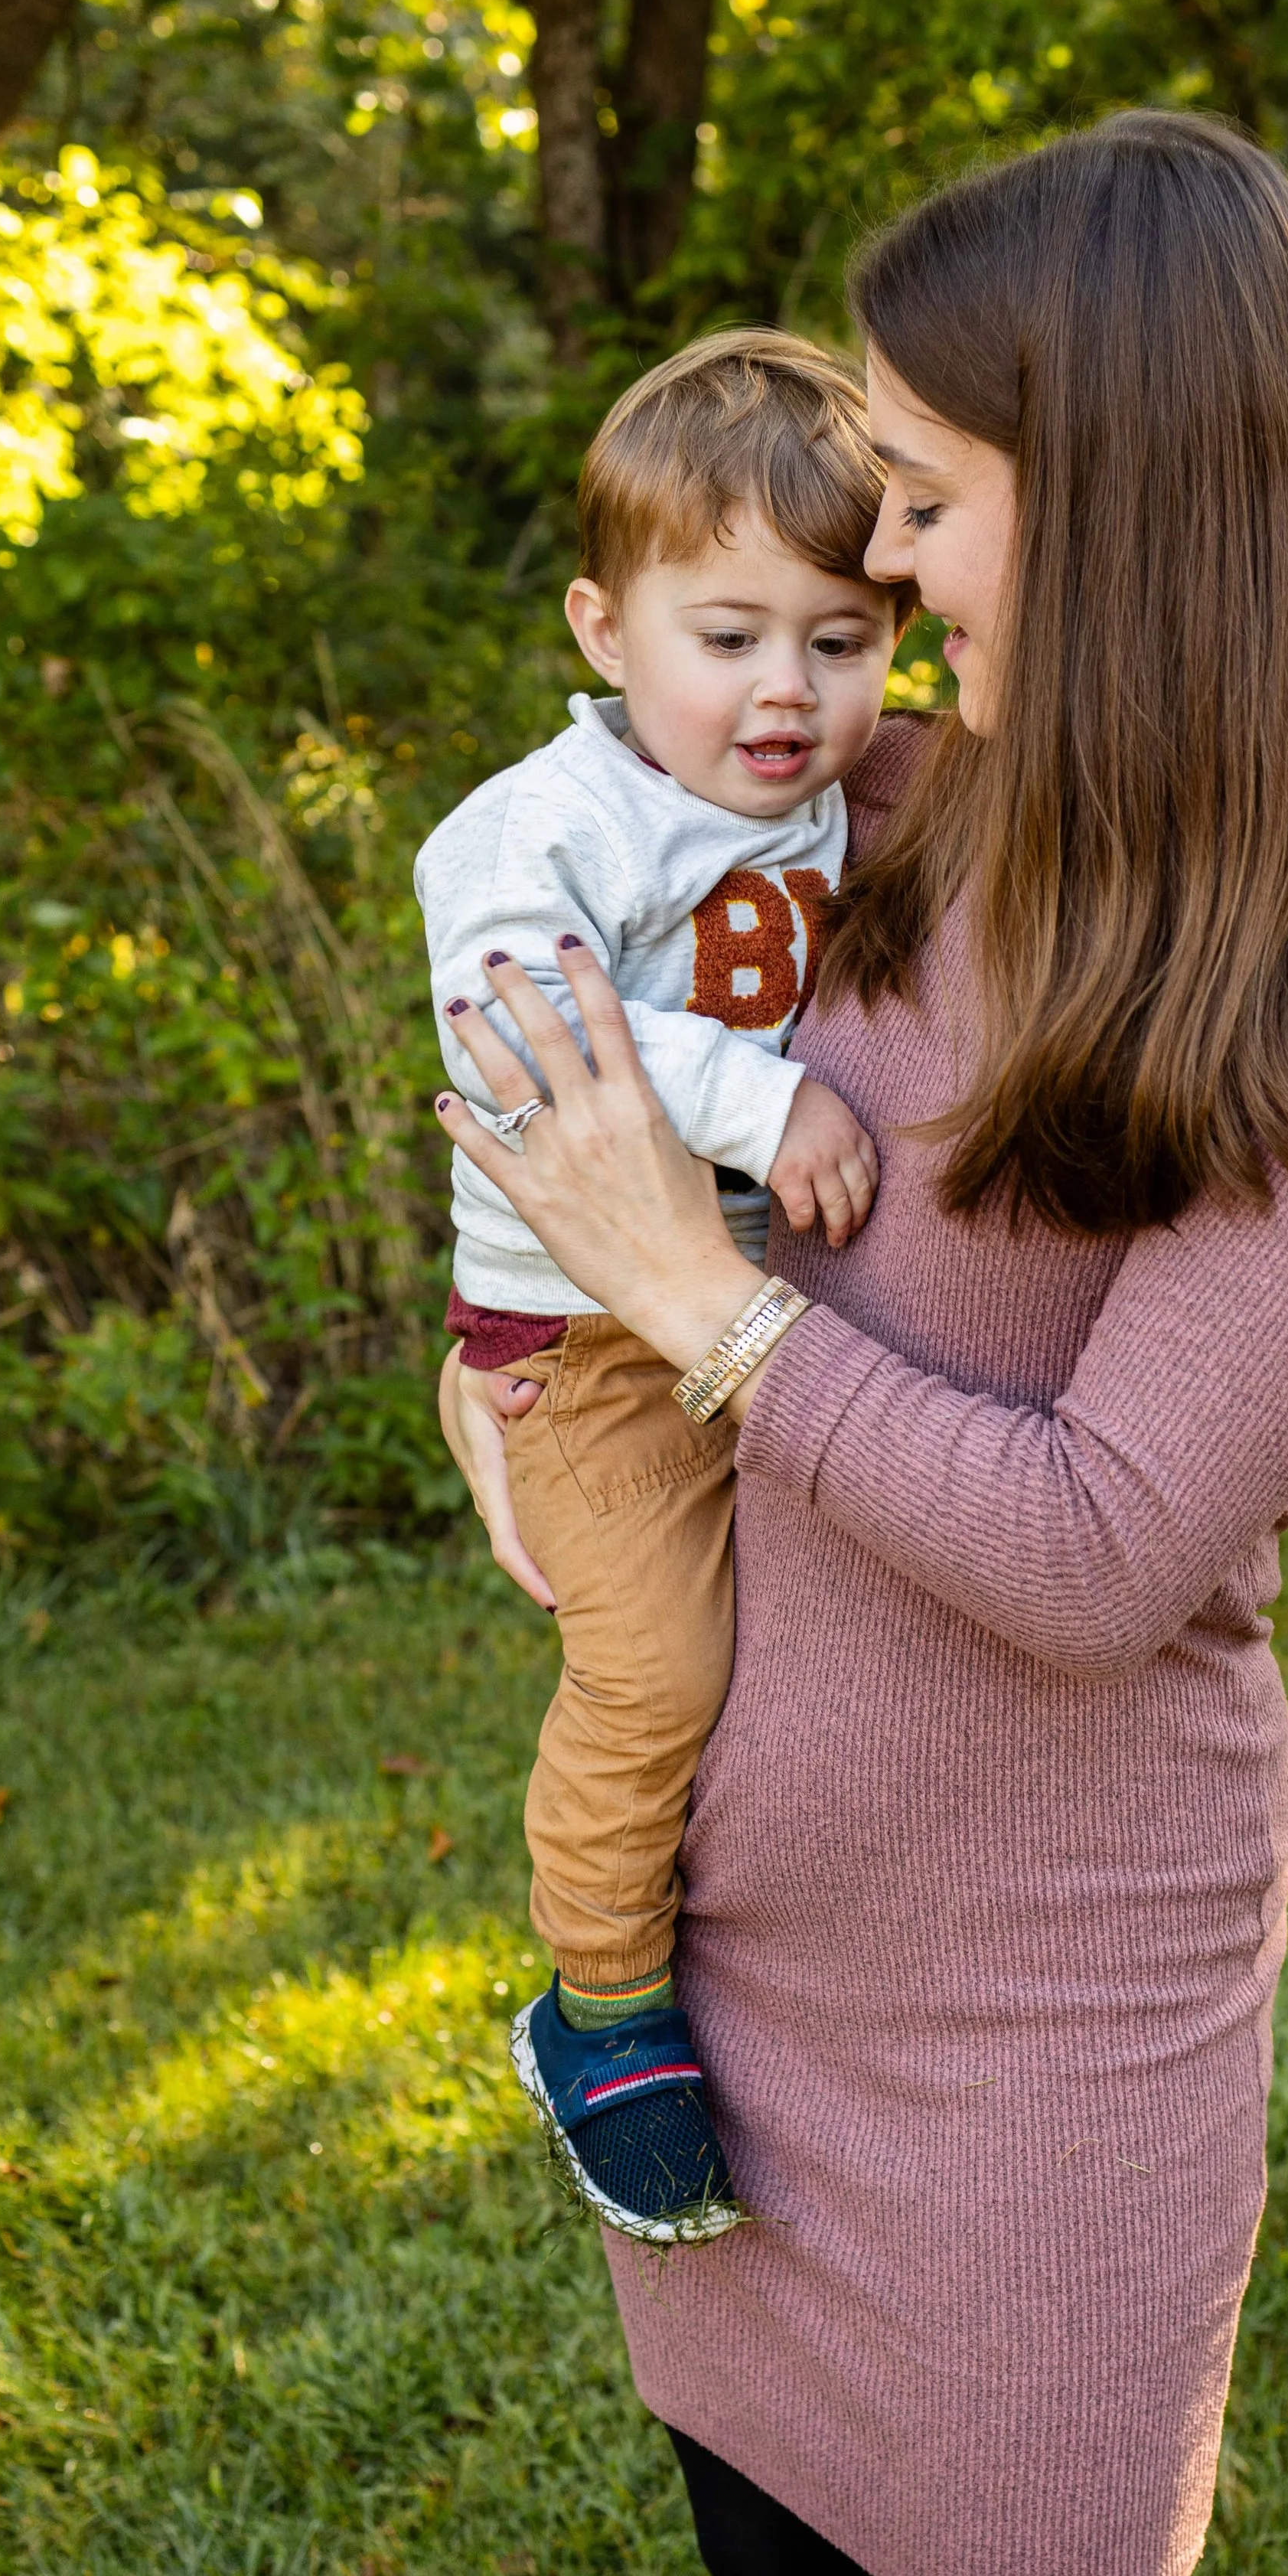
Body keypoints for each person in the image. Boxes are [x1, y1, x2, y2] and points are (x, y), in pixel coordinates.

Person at [434, 113, 1288, 2576]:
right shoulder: (868, 824)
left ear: (1125, 497)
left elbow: (1088, 1556)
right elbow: (612, 1132)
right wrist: (516, 1335)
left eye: (928, 494)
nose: (880, 560)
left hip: (1033, 2051)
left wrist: (704, 1312)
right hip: (729, 1995)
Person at [418, 332, 904, 2246]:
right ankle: (600, 2008)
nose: (784, 692)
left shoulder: (825, 797)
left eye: (840, 640)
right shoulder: (540, 830)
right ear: (603, 629)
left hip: (751, 1307)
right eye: (728, 637)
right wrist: (756, 1090)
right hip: (589, 1344)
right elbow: (523, 1034)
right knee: (657, 1672)